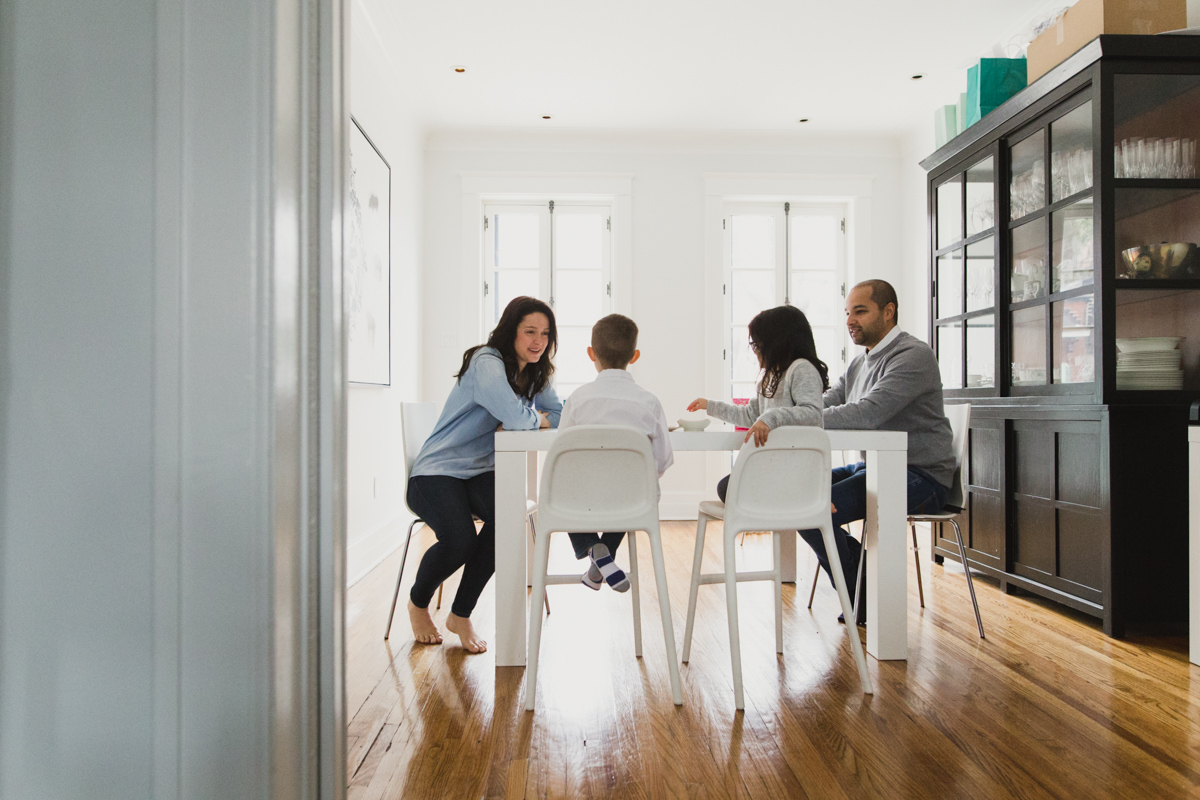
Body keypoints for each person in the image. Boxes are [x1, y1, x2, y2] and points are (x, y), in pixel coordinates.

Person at [406, 296, 562, 653]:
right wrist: (535, 418)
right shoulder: (486, 362)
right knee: (459, 540)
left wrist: (534, 418)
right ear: (511, 332)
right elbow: (515, 417)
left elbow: (562, 413)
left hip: (479, 472)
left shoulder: (537, 372)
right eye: (530, 332)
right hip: (436, 473)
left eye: (545, 334)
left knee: (506, 521)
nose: (538, 341)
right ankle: (418, 603)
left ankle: (460, 614)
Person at [801, 279, 954, 625]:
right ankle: (864, 589)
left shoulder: (913, 356)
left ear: (888, 312)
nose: (850, 320)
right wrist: (792, 411)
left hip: (922, 477)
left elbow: (867, 413)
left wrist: (800, 419)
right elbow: (826, 403)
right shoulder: (860, 363)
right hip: (875, 467)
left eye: (860, 311)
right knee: (796, 498)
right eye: (847, 312)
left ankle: (863, 597)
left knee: (812, 510)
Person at [559, 314, 673, 592]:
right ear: (634, 356)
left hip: (580, 499)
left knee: (561, 488)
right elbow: (662, 460)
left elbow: (561, 459)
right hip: (630, 500)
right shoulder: (649, 402)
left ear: (591, 353)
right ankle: (604, 554)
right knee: (634, 488)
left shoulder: (577, 400)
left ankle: (591, 547)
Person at [687, 305, 828, 499]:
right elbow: (750, 416)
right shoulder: (769, 377)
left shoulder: (801, 369)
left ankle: (804, 498)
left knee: (729, 487)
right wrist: (710, 406)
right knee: (727, 486)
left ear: (777, 342)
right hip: (775, 467)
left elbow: (812, 413)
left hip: (795, 469)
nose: (754, 350)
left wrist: (771, 417)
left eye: (757, 344)